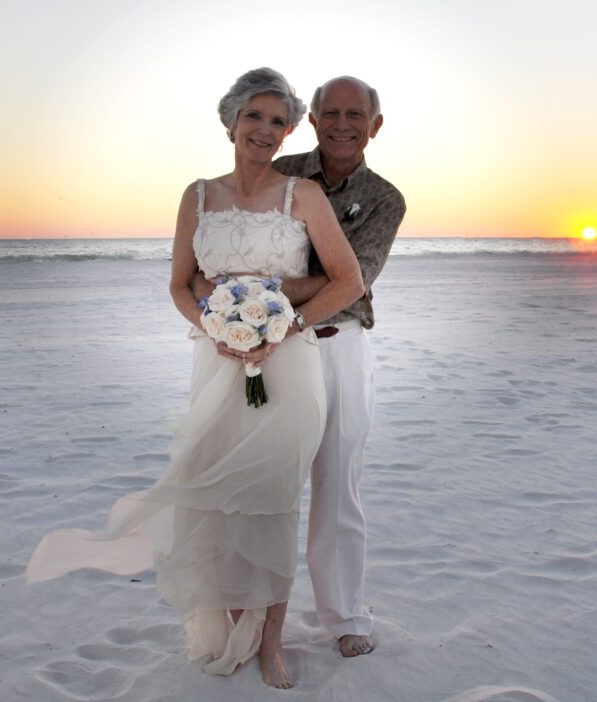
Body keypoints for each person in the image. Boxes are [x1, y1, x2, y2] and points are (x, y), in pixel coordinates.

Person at [26, 67, 364, 690]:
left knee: (271, 500)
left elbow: (349, 281)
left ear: (291, 129)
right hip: (217, 364)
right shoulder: (198, 196)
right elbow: (180, 285)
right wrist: (215, 326)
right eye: (253, 116)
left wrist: (284, 326)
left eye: (276, 119)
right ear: (232, 120)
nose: (264, 130)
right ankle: (229, 622)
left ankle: (271, 644)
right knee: (215, 497)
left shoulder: (302, 197)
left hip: (288, 368)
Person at [195, 75, 405, 658]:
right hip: (267, 351)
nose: (342, 124)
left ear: (375, 125)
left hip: (337, 343)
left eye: (354, 114)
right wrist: (243, 310)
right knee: (263, 485)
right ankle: (256, 622)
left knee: (338, 484)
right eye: (329, 112)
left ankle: (345, 616)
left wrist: (258, 290)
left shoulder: (385, 198)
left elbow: (354, 276)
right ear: (309, 120)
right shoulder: (281, 171)